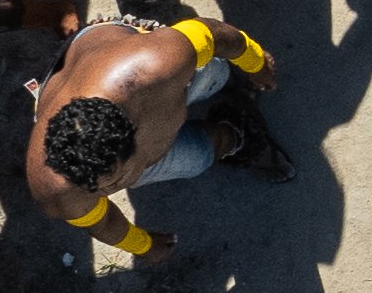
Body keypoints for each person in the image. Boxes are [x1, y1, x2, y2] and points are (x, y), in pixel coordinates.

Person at [21, 14, 285, 259]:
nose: (105, 192)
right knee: (199, 158)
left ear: (133, 139)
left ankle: (228, 91)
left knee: (216, 73)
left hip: (116, 54)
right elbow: (105, 222)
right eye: (96, 188)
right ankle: (236, 132)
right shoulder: (58, 189)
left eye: (111, 180)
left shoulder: (155, 65)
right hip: (96, 85)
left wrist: (256, 63)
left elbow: (218, 35)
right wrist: (143, 246)